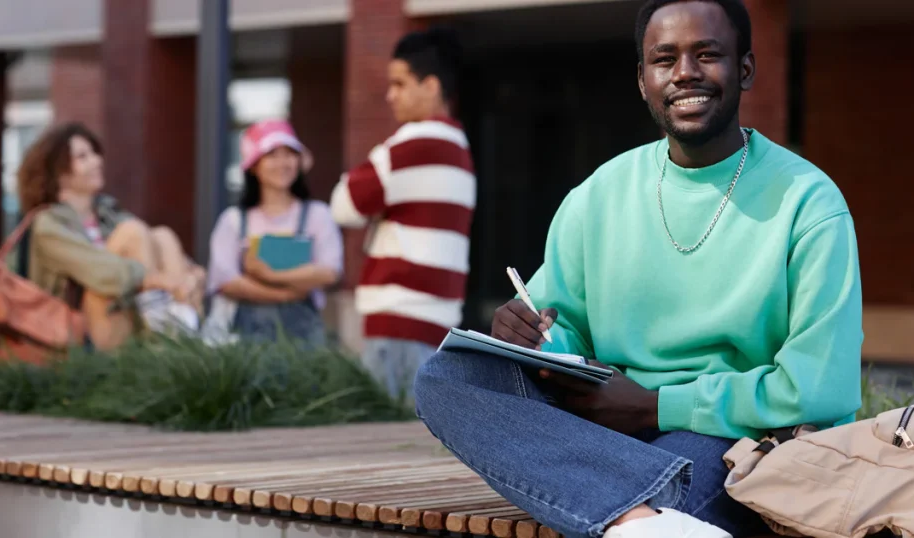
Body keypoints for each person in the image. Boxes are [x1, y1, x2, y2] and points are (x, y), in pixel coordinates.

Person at [413, 1, 864, 537]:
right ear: (643, 79)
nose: (685, 73)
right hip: (604, 426)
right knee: (448, 374)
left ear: (744, 69)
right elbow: (564, 328)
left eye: (707, 54)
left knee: (682, 483)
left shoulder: (808, 202)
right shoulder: (599, 193)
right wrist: (528, 334)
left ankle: (634, 507)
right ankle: (636, 515)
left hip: (731, 434)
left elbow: (818, 390)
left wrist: (654, 406)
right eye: (664, 58)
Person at [330, 27, 476, 404]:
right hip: (436, 320)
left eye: (399, 83)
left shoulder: (413, 142)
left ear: (430, 86)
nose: (390, 95)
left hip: (397, 319)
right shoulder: (458, 146)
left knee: (380, 441)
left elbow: (343, 204)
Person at [16, 122, 205, 350]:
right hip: (77, 334)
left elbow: (155, 250)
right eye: (82, 157)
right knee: (132, 233)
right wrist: (159, 280)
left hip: (125, 312)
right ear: (58, 173)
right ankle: (167, 333)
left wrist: (190, 272)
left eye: (94, 154)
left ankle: (184, 336)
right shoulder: (47, 224)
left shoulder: (107, 212)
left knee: (163, 236)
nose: (96, 161)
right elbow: (99, 271)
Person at [205, 119, 343, 347]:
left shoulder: (318, 215)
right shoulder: (233, 220)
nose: (283, 163)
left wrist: (267, 275)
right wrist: (287, 294)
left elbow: (329, 272)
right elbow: (226, 282)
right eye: (272, 155)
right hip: (244, 339)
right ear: (254, 165)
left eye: (289, 154)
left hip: (305, 340)